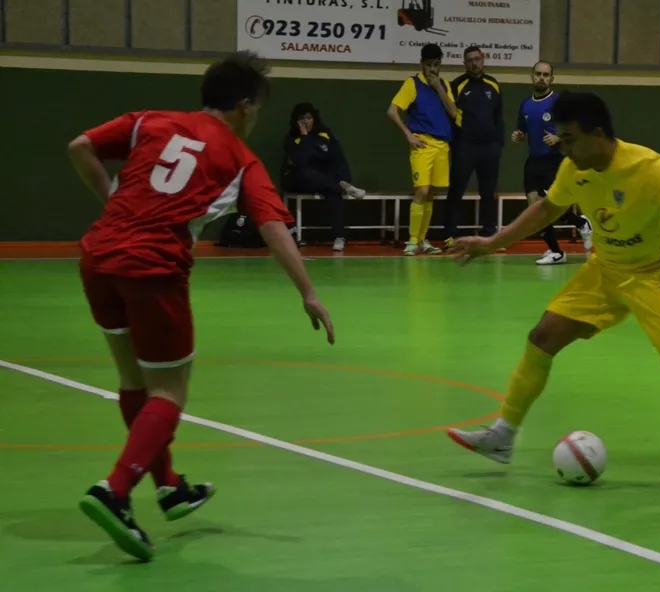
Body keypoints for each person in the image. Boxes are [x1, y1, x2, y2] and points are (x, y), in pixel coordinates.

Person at [446, 91, 660, 496]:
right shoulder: (575, 168)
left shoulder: (649, 166)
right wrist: (492, 242)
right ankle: (503, 436)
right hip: (605, 270)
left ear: (598, 134)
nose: (565, 149)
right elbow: (546, 210)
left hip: (658, 274)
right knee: (543, 337)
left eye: (570, 139)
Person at [69, 51, 335, 562]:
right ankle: (114, 492)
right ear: (244, 107)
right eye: (257, 108)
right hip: (153, 268)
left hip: (98, 256)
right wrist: (308, 292)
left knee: (134, 381)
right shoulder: (239, 157)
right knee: (169, 390)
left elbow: (79, 146)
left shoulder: (150, 121)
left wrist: (111, 203)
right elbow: (273, 226)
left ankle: (169, 486)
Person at [512, 60, 593, 264]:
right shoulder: (525, 104)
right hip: (534, 160)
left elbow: (577, 128)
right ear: (532, 76)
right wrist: (518, 134)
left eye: (545, 75)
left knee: (551, 204)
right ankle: (556, 252)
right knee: (534, 207)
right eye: (538, 74)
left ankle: (581, 223)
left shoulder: (559, 102)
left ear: (551, 79)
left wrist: (558, 137)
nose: (541, 78)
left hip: (554, 159)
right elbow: (522, 128)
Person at [387, 43, 457, 256]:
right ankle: (412, 240)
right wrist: (408, 134)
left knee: (431, 194)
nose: (432, 69)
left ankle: (423, 239)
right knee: (422, 191)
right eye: (428, 65)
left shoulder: (445, 85)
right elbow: (392, 111)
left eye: (436, 64)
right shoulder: (413, 83)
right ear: (421, 64)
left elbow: (454, 113)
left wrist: (438, 88)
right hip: (423, 144)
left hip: (442, 145)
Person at [281, 101, 365, 252]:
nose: (306, 122)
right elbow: (302, 160)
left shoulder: (323, 134)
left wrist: (342, 177)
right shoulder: (291, 138)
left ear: (314, 119)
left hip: (321, 180)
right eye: (302, 119)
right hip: (298, 180)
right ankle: (341, 187)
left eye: (309, 118)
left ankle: (339, 237)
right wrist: (304, 136)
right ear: (296, 121)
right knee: (306, 172)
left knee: (332, 192)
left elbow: (328, 155)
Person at [443, 46, 504, 247]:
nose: (474, 63)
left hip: (490, 148)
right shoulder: (457, 85)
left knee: (488, 192)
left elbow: (498, 116)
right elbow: (451, 116)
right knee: (456, 191)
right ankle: (451, 235)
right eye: (470, 60)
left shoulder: (493, 84)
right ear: (464, 63)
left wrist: (498, 143)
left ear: (483, 59)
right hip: (465, 146)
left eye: (477, 59)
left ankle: (490, 234)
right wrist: (456, 144)